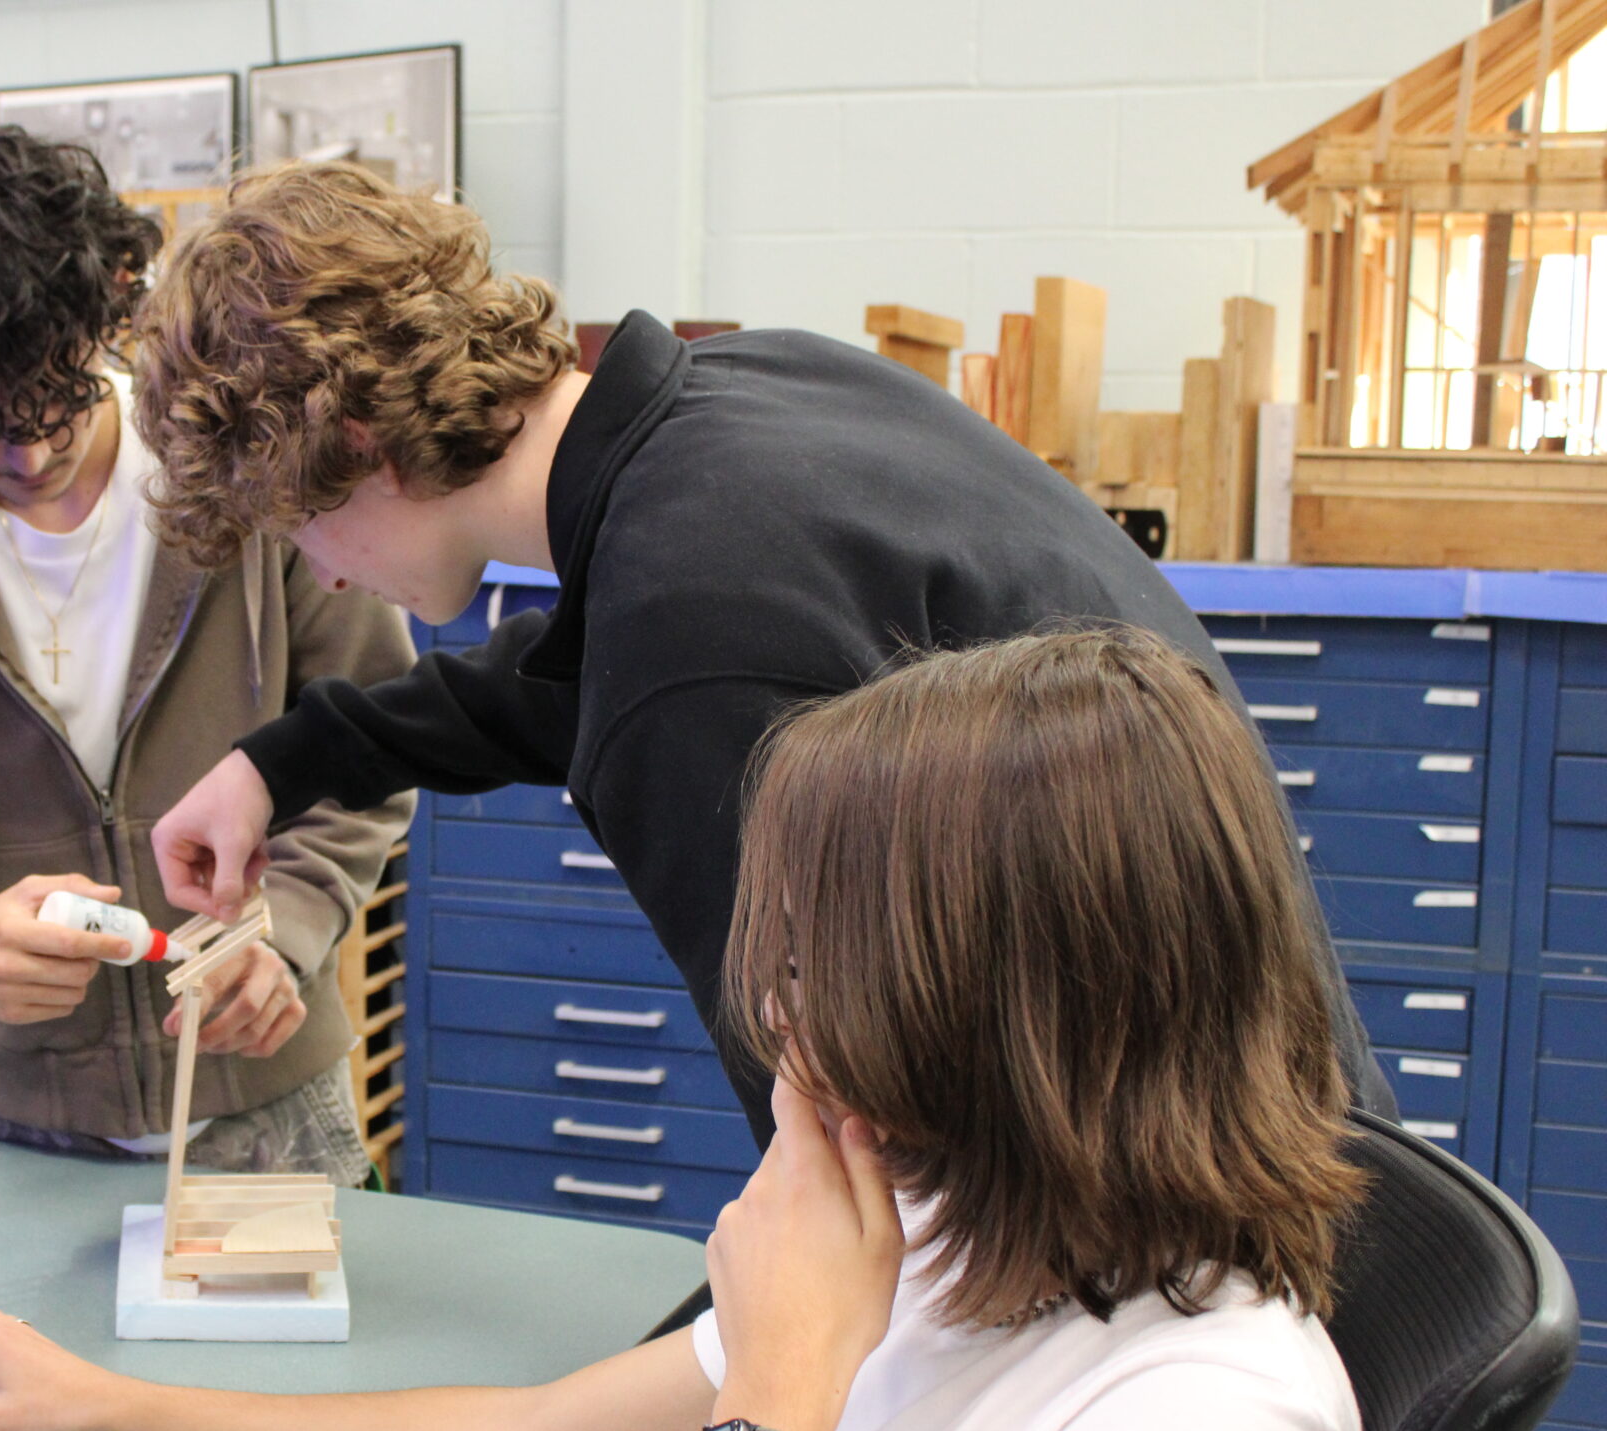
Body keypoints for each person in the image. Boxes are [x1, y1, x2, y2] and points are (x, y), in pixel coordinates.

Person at [0, 628, 1369, 1431]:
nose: (775, 1011)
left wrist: (776, 1412)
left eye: (821, 963)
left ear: (1004, 1013)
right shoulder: (967, 1232)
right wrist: (112, 1399)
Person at [135, 161, 1396, 1142]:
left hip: (1154, 1231)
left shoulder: (687, 643)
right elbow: (583, 667)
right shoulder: (751, 389)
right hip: (1270, 1105)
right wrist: (287, 760)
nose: (321, 570)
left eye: (297, 524)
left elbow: (830, 1139)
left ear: (362, 445)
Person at [0, 130, 414, 1185]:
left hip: (277, 1111)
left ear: (102, 323)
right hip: (20, 1134)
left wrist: (285, 925)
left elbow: (371, 746)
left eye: (55, 405)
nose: (28, 455)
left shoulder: (242, 483)